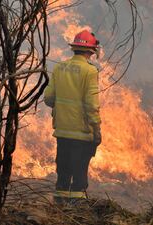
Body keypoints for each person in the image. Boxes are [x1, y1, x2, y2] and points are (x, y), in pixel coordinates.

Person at [44, 30, 102, 204]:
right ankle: (77, 210)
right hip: (82, 132)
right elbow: (91, 105)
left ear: (74, 49)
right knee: (79, 172)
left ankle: (59, 208)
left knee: (63, 170)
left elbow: (48, 98)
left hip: (62, 130)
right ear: (91, 51)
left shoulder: (59, 67)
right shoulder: (89, 71)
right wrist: (96, 129)